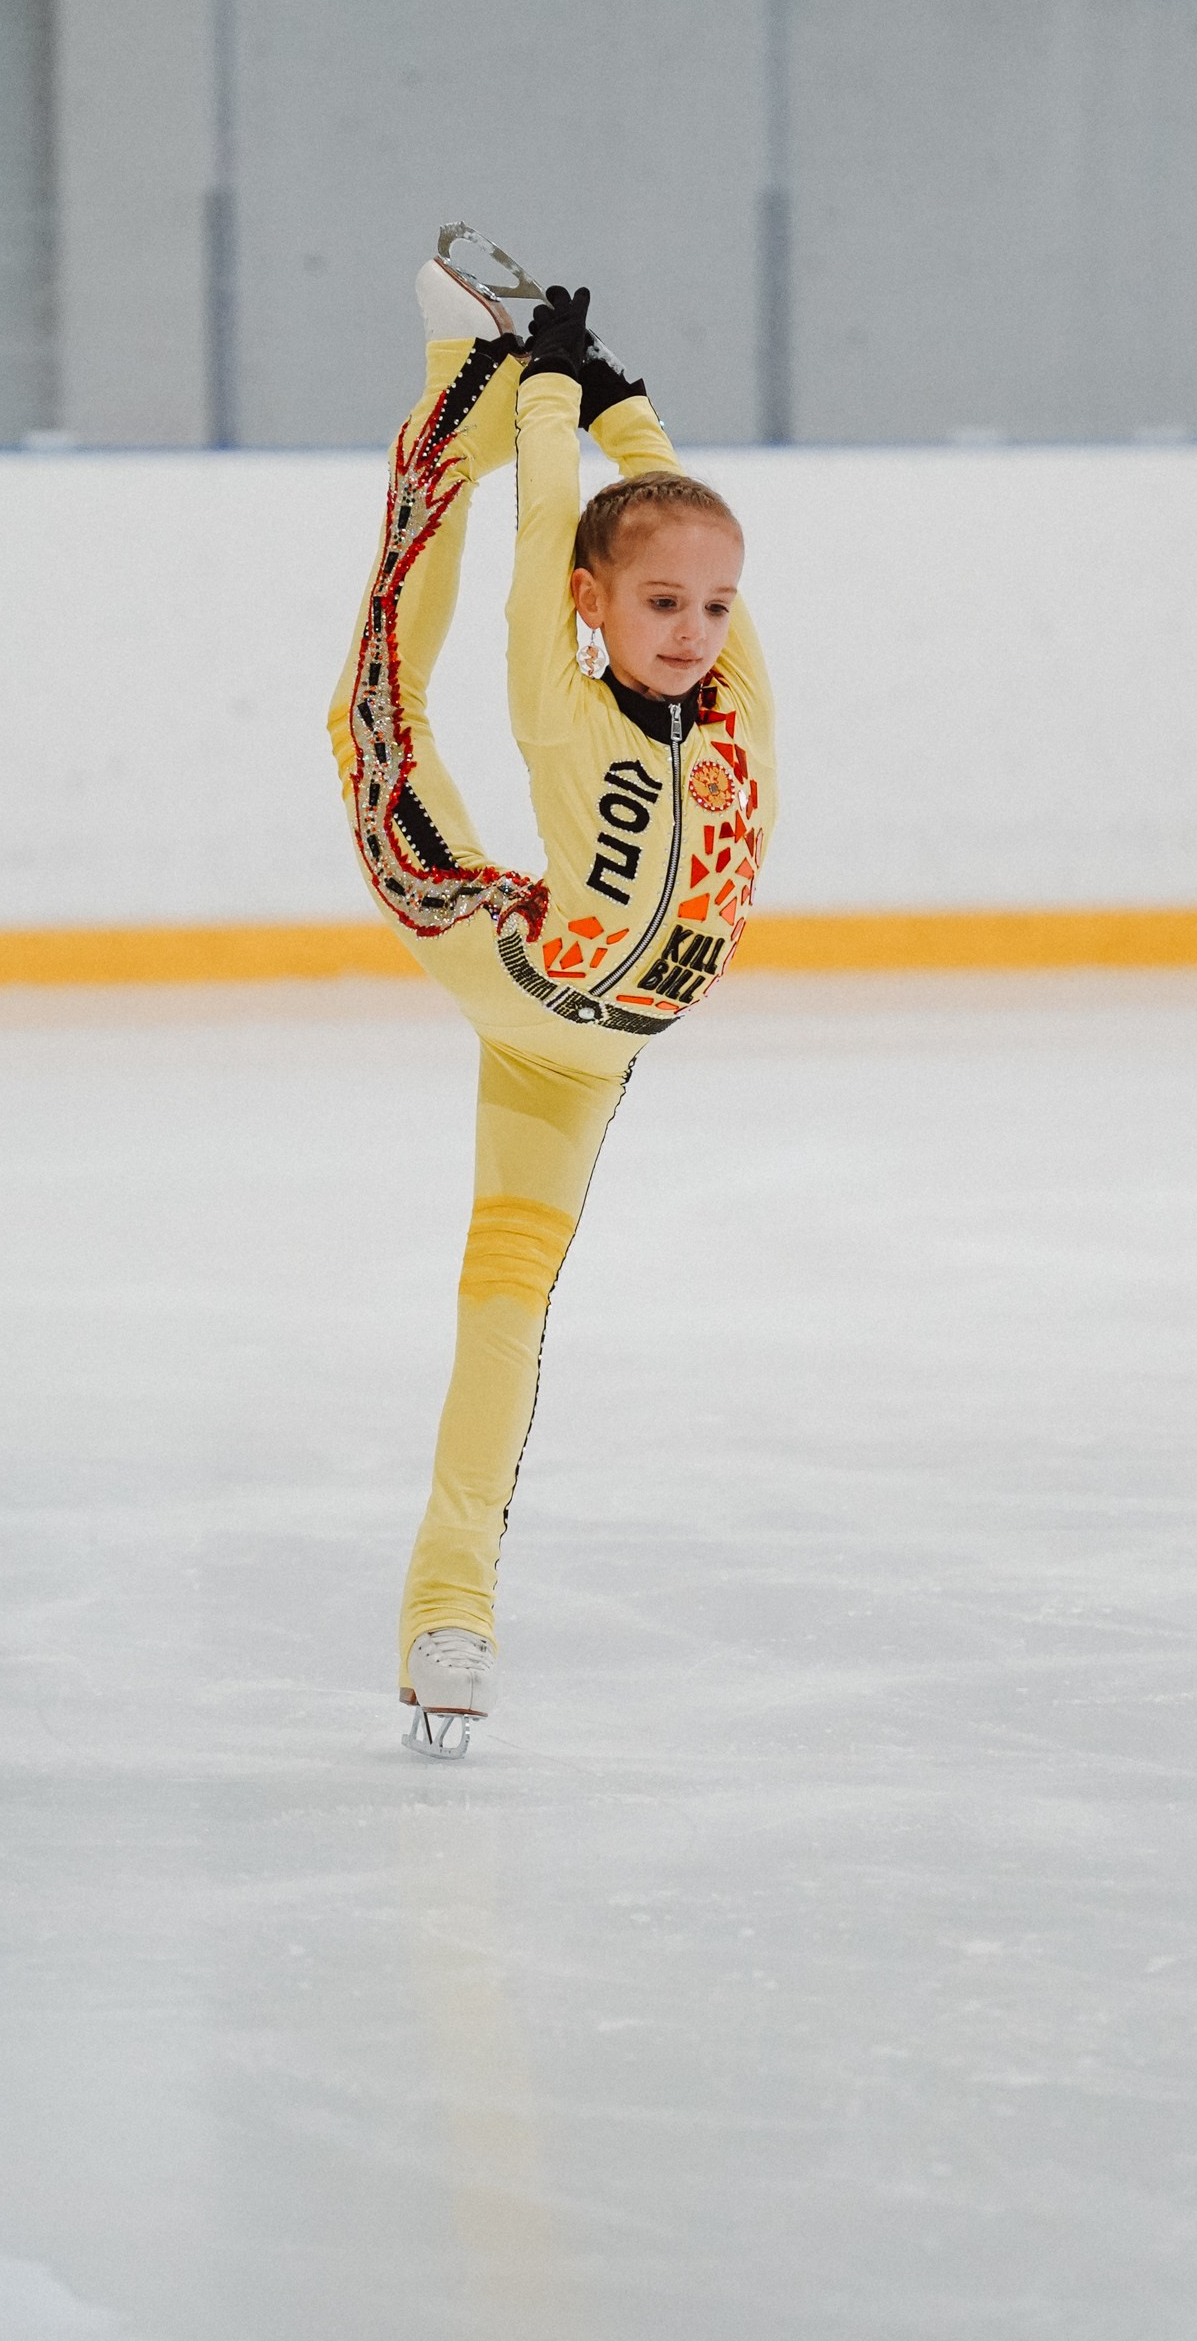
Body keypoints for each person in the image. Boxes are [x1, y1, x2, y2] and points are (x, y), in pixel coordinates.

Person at [327, 247, 778, 1754]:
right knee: (371, 714)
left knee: (503, 1312)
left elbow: (677, 525)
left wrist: (623, 405)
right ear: (598, 605)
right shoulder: (561, 699)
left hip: (590, 1059)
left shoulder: (739, 701)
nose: (696, 629)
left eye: (716, 605)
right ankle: (455, 389)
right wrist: (536, 401)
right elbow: (542, 548)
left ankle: (449, 1620)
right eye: (661, 602)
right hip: (512, 965)